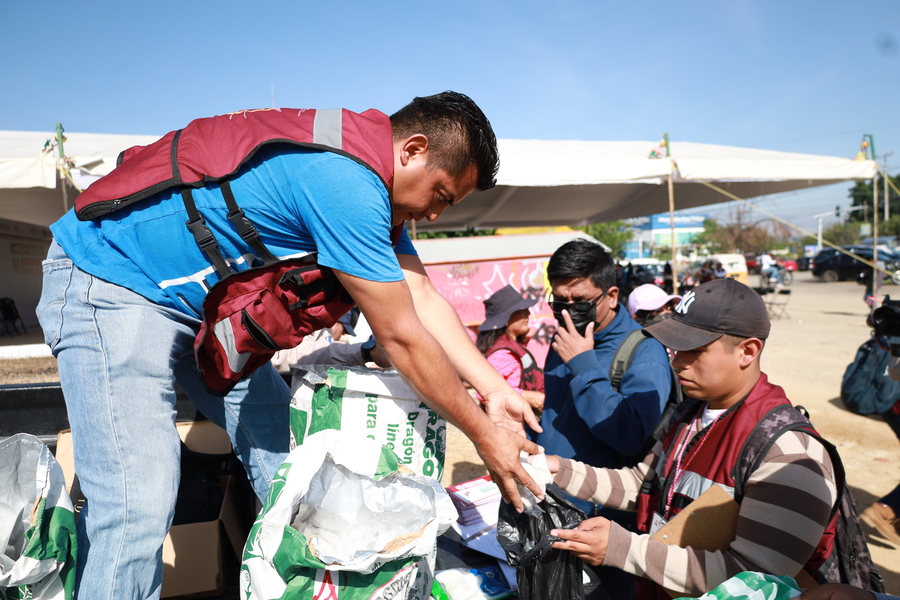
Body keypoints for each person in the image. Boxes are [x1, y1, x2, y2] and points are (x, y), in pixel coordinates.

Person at [36, 91, 544, 600]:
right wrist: (483, 435)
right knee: (136, 502)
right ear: (411, 150)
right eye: (442, 194)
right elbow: (403, 336)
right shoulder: (345, 182)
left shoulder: (375, 190)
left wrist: (493, 387)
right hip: (109, 279)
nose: (435, 215)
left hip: (200, 313)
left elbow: (424, 298)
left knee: (290, 462)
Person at [545, 278, 840, 598]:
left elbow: (755, 579)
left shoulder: (790, 454)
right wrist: (556, 469)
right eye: (676, 349)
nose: (677, 363)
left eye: (694, 351)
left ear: (748, 351)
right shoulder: (691, 414)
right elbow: (645, 486)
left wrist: (625, 549)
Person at [534, 239, 673, 600]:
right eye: (558, 303)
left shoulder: (644, 352)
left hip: (599, 520)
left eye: (580, 302)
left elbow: (629, 434)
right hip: (549, 502)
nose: (567, 312)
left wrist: (583, 365)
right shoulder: (566, 337)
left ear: (611, 296)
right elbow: (558, 412)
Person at [476, 284, 545, 415]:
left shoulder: (513, 345)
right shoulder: (502, 354)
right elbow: (484, 392)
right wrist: (528, 396)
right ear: (505, 320)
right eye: (521, 310)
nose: (528, 313)